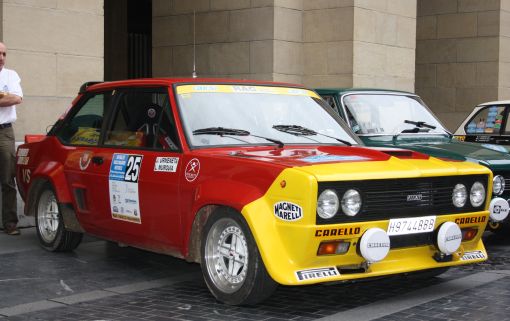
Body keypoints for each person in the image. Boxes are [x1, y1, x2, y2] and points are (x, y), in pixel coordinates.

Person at [0, 42, 23, 235]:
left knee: (8, 179)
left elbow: (16, 99)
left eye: (4, 53)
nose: (1, 57)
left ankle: (10, 223)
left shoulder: (11, 75)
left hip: (4, 132)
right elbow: (8, 99)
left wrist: (7, 97)